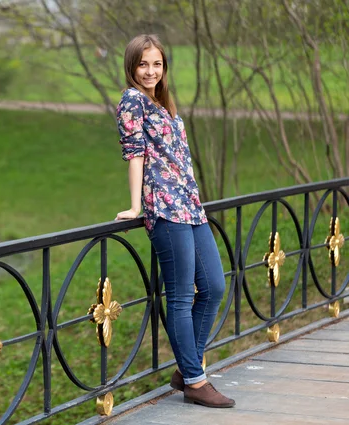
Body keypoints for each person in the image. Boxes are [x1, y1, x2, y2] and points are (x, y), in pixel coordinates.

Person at [114, 34, 235, 408]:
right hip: (164, 207)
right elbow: (135, 155)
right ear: (132, 66)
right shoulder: (132, 100)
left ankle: (186, 369)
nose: (150, 71)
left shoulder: (162, 102)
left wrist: (195, 199)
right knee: (181, 296)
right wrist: (135, 207)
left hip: (190, 206)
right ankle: (196, 381)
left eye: (157, 64)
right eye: (143, 64)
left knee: (214, 286)